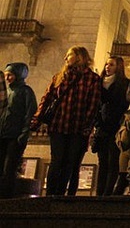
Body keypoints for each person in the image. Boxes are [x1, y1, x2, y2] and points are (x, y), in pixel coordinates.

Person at [31, 46, 102, 195]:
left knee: (69, 163)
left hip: (77, 127)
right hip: (58, 125)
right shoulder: (60, 77)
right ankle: (50, 194)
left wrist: (86, 125)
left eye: (69, 55)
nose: (65, 58)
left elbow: (93, 104)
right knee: (56, 161)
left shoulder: (92, 79)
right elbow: (47, 98)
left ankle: (60, 194)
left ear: (79, 57)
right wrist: (37, 120)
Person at [93, 56, 130, 195]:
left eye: (112, 65)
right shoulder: (98, 83)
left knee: (113, 161)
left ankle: (107, 193)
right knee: (102, 162)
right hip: (101, 127)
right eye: (107, 64)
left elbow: (123, 105)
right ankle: (100, 192)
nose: (108, 67)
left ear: (118, 67)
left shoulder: (124, 84)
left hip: (116, 127)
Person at [0, 62, 37, 198]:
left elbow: (30, 114)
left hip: (15, 136)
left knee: (9, 168)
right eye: (6, 75)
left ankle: (6, 196)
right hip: (2, 134)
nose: (7, 78)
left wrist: (24, 133)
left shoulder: (26, 91)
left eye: (10, 75)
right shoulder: (6, 91)